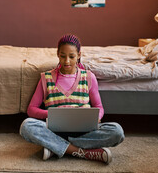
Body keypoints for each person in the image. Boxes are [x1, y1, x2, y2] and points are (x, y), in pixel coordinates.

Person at [19, 34, 124, 164]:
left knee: (117, 131)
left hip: (84, 132)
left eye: (72, 56)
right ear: (57, 54)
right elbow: (31, 110)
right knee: (27, 126)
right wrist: (54, 114)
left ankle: (55, 147)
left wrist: (97, 117)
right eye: (63, 56)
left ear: (79, 55)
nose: (67, 61)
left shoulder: (89, 77)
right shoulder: (46, 78)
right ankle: (83, 152)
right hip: (55, 131)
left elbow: (99, 107)